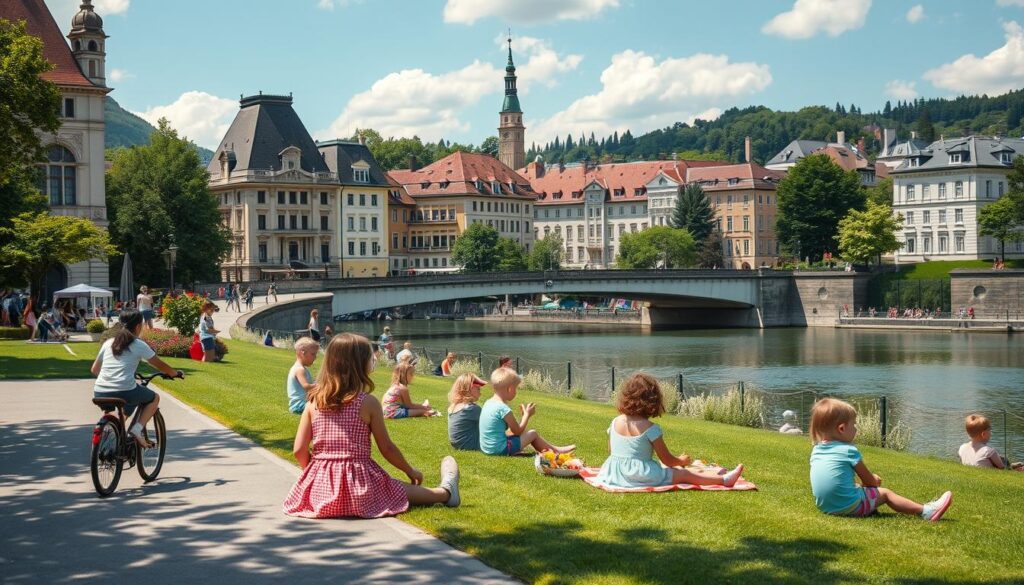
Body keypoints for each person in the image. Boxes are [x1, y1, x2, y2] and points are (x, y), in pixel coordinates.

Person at [283, 333, 460, 518]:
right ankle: (445, 493)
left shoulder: (313, 403)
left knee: (387, 486)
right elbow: (387, 448)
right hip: (360, 488)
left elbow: (299, 449)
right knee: (393, 488)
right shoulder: (367, 402)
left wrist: (315, 474)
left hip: (321, 492)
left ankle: (444, 492)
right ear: (360, 364)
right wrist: (410, 470)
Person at [809, 398, 952, 521]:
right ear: (841, 428)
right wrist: (874, 480)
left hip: (827, 507)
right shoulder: (848, 451)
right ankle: (926, 511)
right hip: (848, 506)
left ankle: (867, 507)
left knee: (859, 488)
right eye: (853, 425)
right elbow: (870, 481)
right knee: (886, 493)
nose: (856, 429)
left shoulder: (816, 450)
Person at [593, 373, 744, 489]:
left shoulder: (614, 422)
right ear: (652, 400)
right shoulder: (650, 428)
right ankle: (724, 480)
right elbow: (667, 460)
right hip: (642, 476)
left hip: (613, 473)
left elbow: (611, 450)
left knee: (669, 469)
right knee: (683, 474)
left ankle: (716, 474)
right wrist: (681, 461)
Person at [90, 309, 183, 446]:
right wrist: (174, 373)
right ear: (138, 326)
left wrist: (110, 380)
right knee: (153, 398)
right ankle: (137, 430)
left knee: (126, 403)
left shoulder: (108, 343)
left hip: (99, 390)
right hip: (125, 390)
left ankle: (111, 440)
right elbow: (159, 365)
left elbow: (94, 370)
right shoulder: (138, 344)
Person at [479, 367, 575, 456]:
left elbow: (512, 430)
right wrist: (527, 415)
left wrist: (523, 419)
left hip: (487, 449)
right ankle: (556, 451)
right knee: (533, 433)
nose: (516, 392)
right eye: (515, 388)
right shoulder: (503, 409)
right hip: (500, 450)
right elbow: (517, 431)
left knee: (521, 434)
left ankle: (554, 449)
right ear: (509, 389)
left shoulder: (488, 403)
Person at [958, 414, 1023, 471]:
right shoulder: (989, 451)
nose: (991, 432)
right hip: (987, 475)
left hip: (973, 473)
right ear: (983, 434)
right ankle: (1014, 466)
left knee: (1001, 458)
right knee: (1004, 459)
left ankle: (1012, 465)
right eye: (990, 430)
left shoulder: (962, 448)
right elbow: (1003, 469)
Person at [447, 373, 486, 451]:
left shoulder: (453, 406)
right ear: (469, 389)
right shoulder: (471, 409)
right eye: (478, 389)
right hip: (470, 445)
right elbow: (492, 424)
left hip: (459, 444)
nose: (480, 392)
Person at [287, 337, 319, 414]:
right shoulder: (299, 369)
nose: (315, 357)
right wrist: (320, 385)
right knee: (323, 407)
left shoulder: (301, 368)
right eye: (313, 354)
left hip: (302, 403)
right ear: (303, 353)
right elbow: (306, 386)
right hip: (299, 405)